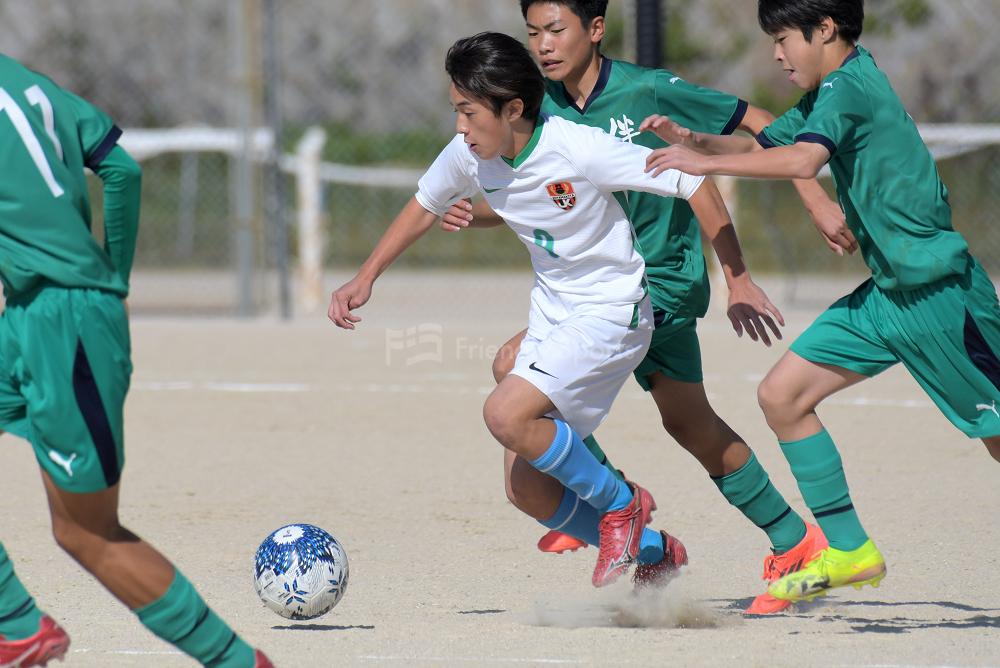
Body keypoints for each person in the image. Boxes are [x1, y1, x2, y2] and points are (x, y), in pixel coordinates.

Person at [329, 31, 776, 588]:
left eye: (469, 112)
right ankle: (656, 551)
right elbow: (424, 204)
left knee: (505, 413)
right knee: (527, 490)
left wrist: (738, 278)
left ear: (513, 109)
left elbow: (692, 181)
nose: (460, 126)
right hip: (554, 314)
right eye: (456, 111)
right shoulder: (470, 152)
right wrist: (365, 276)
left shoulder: (577, 146)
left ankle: (623, 503)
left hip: (613, 310)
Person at [440, 0, 838, 614]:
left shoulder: (648, 89)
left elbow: (759, 123)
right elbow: (536, 197)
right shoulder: (534, 106)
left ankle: (615, 505)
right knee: (688, 423)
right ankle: (784, 539)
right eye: (533, 32)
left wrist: (794, 217)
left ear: (596, 29)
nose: (544, 45)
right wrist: (478, 213)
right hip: (600, 289)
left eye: (556, 30)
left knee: (518, 371)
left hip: (661, 283)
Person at [642, 0, 1000, 603]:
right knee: (782, 396)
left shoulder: (849, 88)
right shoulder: (829, 93)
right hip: (886, 300)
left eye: (784, 39)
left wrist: (700, 160)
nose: (777, 54)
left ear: (826, 29)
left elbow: (805, 160)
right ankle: (850, 550)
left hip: (944, 300)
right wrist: (693, 139)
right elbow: (771, 145)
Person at [0, 54, 272, 667]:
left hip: (62, 325)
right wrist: (113, 277)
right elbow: (120, 169)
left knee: (86, 531)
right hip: (40, 313)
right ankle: (15, 623)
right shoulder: (29, 85)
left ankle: (237, 663)